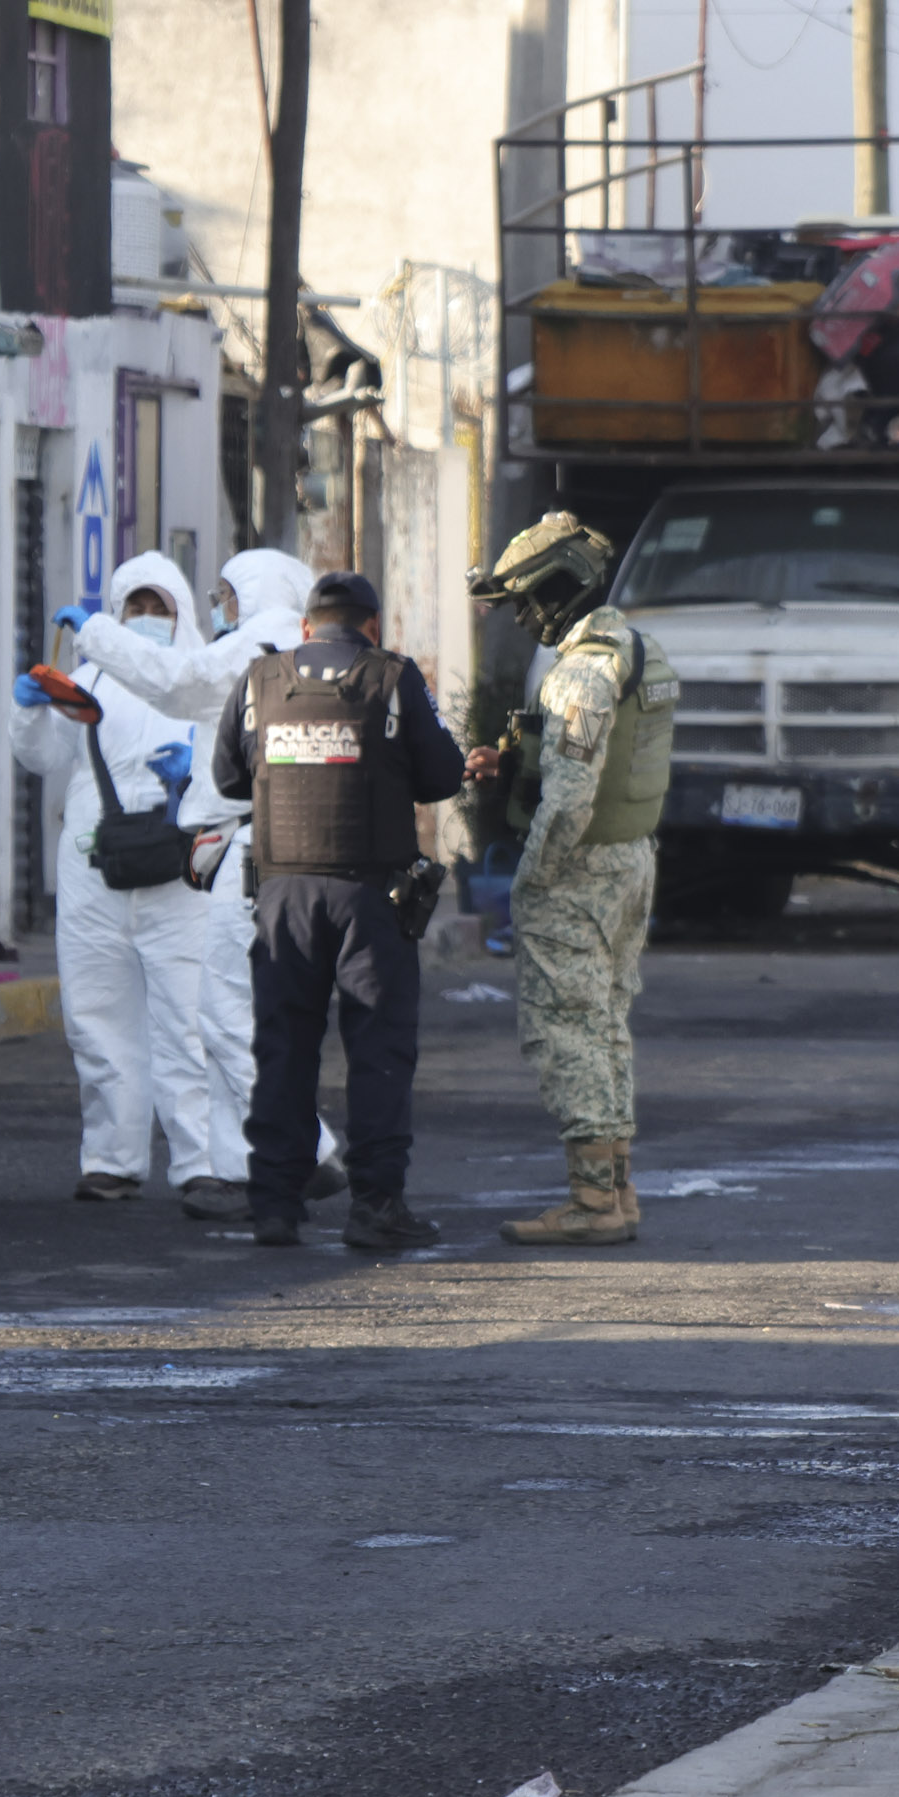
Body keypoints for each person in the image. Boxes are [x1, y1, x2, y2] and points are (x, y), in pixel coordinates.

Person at [71, 548, 346, 1221]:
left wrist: (96, 634)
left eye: (227, 592)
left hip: (257, 852)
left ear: (255, 592)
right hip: (263, 848)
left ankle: (301, 1152)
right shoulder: (300, 646)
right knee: (237, 1018)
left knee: (228, 1019)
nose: (221, 606)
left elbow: (179, 682)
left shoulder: (266, 639)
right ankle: (244, 1169)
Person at [213, 569, 467, 1250]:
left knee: (283, 1049)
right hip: (370, 897)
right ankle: (376, 1206)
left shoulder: (260, 679)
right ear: (371, 626)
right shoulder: (392, 677)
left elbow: (228, 778)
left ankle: (274, 1205)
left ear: (306, 626)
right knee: (378, 1051)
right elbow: (444, 773)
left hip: (282, 894)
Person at [464, 513, 677, 1247]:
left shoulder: (583, 671)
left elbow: (572, 795)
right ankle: (615, 1189)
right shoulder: (630, 646)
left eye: (525, 600)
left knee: (568, 1032)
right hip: (628, 861)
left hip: (579, 870)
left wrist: (532, 878)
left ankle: (592, 1202)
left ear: (561, 588)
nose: (522, 617)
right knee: (607, 1024)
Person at [9, 551, 222, 1205]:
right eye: (138, 607)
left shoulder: (203, 680)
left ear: (182, 612)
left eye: (161, 607)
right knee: (97, 1014)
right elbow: (43, 756)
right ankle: (112, 1158)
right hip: (95, 867)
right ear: (118, 611)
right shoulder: (91, 680)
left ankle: (203, 1159)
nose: (150, 619)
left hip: (181, 873)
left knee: (190, 1017)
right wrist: (31, 711)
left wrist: (201, 769)